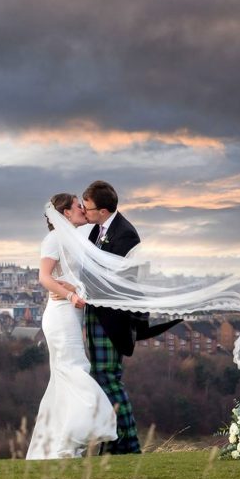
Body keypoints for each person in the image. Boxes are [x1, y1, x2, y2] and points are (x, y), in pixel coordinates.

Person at [81, 180, 180, 455]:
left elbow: (121, 281)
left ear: (102, 210)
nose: (84, 211)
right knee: (102, 377)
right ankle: (115, 443)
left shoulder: (126, 235)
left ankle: (128, 443)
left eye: (87, 207)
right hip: (97, 314)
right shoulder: (97, 231)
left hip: (113, 319)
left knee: (108, 377)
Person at [25, 193, 117, 460]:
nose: (83, 209)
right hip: (61, 314)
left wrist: (74, 288)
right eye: (78, 206)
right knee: (75, 369)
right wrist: (70, 295)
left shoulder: (75, 239)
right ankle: (88, 425)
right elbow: (44, 276)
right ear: (65, 213)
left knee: (64, 377)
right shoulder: (53, 239)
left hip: (72, 313)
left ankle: (60, 446)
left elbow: (76, 277)